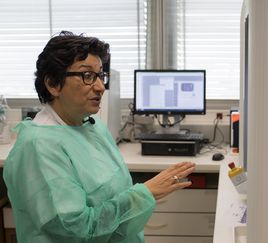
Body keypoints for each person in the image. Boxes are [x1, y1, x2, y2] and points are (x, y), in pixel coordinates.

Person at [3, 31, 195, 243]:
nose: (101, 87)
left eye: (100, 75)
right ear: (53, 84)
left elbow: (115, 196)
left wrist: (144, 194)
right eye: (87, 76)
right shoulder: (38, 147)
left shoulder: (93, 127)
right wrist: (146, 193)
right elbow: (77, 229)